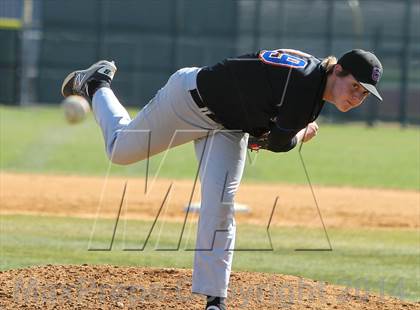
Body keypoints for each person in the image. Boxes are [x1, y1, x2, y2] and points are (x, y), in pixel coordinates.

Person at [61, 48, 383, 310]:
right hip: (188, 100)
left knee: (221, 204)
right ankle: (97, 83)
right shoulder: (305, 86)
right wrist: (299, 134)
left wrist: (270, 129)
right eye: (355, 86)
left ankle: (215, 300)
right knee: (120, 150)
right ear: (337, 70)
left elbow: (261, 107)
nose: (357, 97)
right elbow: (280, 143)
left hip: (228, 127)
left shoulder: (310, 77)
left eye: (364, 94)